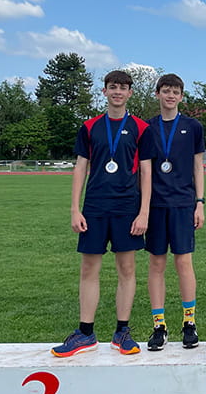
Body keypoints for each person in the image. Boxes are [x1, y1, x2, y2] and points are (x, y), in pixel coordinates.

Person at [52, 70, 154, 357]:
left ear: (130, 92)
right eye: (112, 87)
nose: (117, 92)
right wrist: (75, 208)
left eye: (122, 88)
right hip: (94, 206)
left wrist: (144, 212)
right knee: (88, 269)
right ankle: (85, 333)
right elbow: (80, 168)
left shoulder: (141, 128)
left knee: (127, 269)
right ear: (105, 91)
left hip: (126, 208)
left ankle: (122, 332)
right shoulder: (89, 127)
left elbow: (146, 172)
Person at [144, 73, 206, 351]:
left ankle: (189, 323)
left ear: (181, 96)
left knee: (183, 263)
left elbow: (198, 166)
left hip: (183, 203)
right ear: (157, 94)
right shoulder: (147, 128)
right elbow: (143, 171)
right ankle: (159, 326)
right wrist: (142, 210)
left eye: (175, 92)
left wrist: (200, 202)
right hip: (156, 205)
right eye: (165, 91)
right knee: (156, 265)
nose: (170, 96)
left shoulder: (193, 127)